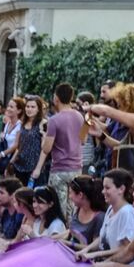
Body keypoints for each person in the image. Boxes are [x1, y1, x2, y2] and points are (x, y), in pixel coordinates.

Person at [35, 83, 83, 215]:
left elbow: (46, 149)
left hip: (60, 169)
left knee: (59, 209)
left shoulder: (54, 120)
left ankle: (60, 233)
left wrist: (44, 136)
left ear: (56, 98)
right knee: (73, 208)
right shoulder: (80, 116)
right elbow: (83, 140)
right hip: (77, 167)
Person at [65, 174, 104, 246]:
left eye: (70, 193)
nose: (69, 197)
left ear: (80, 195)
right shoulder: (77, 209)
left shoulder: (99, 218)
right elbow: (69, 233)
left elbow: (94, 248)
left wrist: (69, 244)